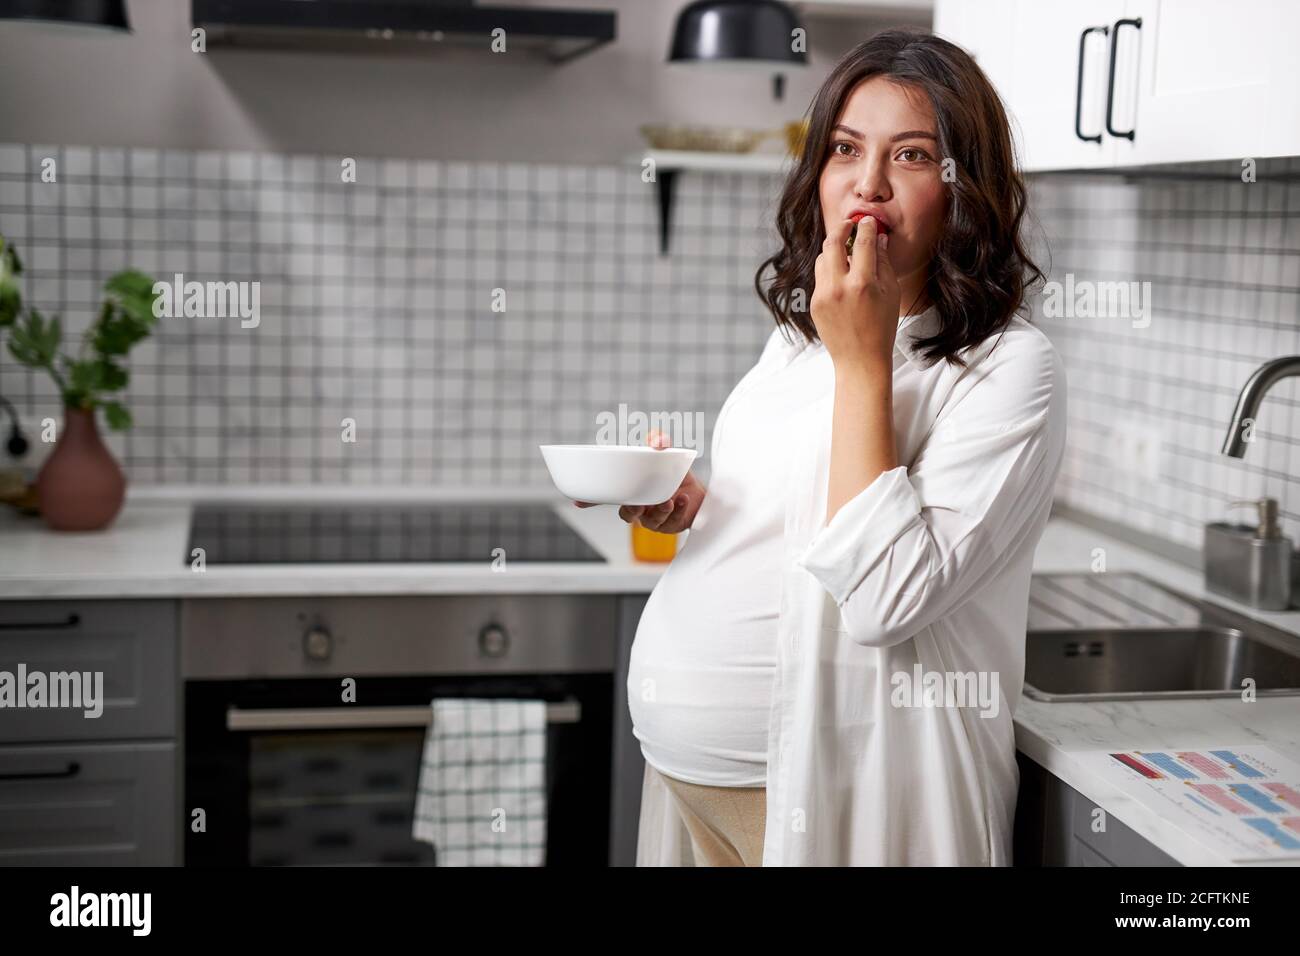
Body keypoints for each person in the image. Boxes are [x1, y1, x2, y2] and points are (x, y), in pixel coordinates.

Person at [576, 28, 1067, 866]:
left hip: (838, 795)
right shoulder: (802, 335)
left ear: (962, 188)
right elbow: (801, 512)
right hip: (691, 784)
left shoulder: (1009, 367)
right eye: (846, 149)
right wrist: (696, 501)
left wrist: (863, 355)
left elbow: (882, 598)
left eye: (911, 156)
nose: (867, 183)